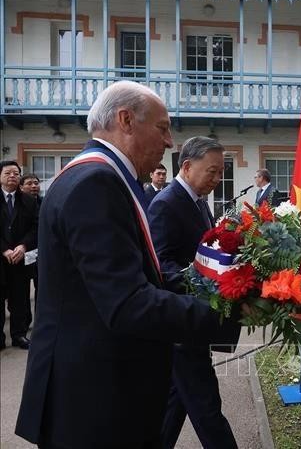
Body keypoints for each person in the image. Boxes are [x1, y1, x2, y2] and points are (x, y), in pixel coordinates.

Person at [15, 81, 241, 448]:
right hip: (93, 403)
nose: (169, 142)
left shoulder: (99, 177)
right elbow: (127, 302)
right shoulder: (96, 183)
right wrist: (227, 312)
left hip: (94, 390)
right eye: (163, 128)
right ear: (126, 120)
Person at [148, 136, 240, 449]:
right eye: (212, 172)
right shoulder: (166, 203)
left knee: (177, 401)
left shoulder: (197, 201)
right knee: (207, 409)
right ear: (186, 166)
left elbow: (206, 251)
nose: (217, 179)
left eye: (220, 173)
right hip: (181, 322)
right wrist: (210, 287)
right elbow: (162, 266)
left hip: (191, 325)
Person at [1, 161, 38, 351]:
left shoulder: (29, 201)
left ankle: (19, 335)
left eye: (16, 173)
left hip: (20, 257)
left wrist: (23, 246)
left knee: (20, 299)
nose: (12, 176)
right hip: (2, 256)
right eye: (8, 173)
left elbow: (35, 227)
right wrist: (4, 249)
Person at [19, 173, 42, 328]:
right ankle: (24, 322)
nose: (34, 186)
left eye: (36, 183)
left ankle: (40, 321)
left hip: (42, 253)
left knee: (41, 288)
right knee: (22, 291)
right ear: (21, 187)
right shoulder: (18, 205)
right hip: (23, 251)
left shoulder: (45, 202)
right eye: (29, 183)